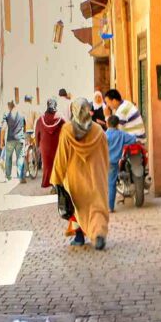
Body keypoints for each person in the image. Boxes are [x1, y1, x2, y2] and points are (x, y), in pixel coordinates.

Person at [51, 98, 110, 250]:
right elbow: (105, 154)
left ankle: (79, 237)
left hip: (74, 177)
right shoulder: (98, 130)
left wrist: (56, 178)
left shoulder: (67, 130)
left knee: (77, 207)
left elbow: (61, 157)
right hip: (95, 176)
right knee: (97, 207)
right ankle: (98, 235)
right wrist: (105, 173)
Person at [104, 114, 139, 212]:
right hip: (114, 163)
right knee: (111, 184)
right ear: (118, 124)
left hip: (103, 162)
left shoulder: (104, 135)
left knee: (103, 184)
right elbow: (133, 140)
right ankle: (110, 207)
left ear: (107, 124)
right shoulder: (121, 134)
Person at [34, 98, 65, 189]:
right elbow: (67, 129)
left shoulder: (41, 119)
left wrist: (37, 145)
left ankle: (48, 183)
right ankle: (57, 184)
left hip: (45, 146)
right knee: (57, 164)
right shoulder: (60, 118)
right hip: (57, 144)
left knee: (47, 165)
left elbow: (37, 133)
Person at [1, 100, 27, 183]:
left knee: (8, 158)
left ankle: (8, 177)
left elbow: (3, 128)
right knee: (20, 158)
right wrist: (23, 136)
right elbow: (25, 127)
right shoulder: (22, 114)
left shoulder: (7, 115)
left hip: (10, 139)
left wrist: (2, 141)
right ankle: (21, 177)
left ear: (8, 106)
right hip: (20, 139)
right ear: (15, 105)